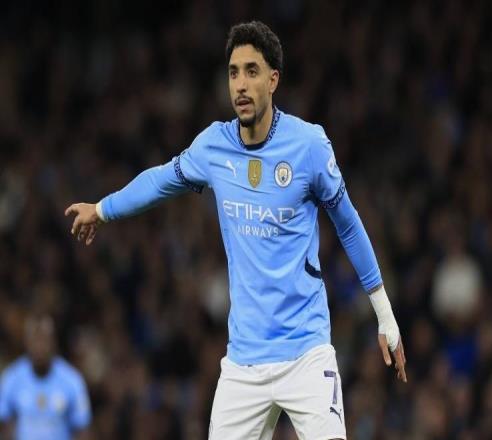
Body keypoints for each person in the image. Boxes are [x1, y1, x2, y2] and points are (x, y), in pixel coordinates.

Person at [65, 21, 406, 440]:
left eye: (251, 71)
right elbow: (159, 181)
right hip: (244, 363)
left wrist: (384, 315)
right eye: (233, 73)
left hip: (306, 353)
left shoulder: (309, 146)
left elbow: (348, 225)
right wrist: (102, 209)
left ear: (273, 80)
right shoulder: (214, 147)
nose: (240, 84)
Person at [0, 314, 92, 440]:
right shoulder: (11, 378)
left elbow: (82, 429)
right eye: (35, 340)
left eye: (44, 339)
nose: (39, 346)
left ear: (53, 342)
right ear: (26, 342)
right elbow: (5, 426)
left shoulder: (72, 380)